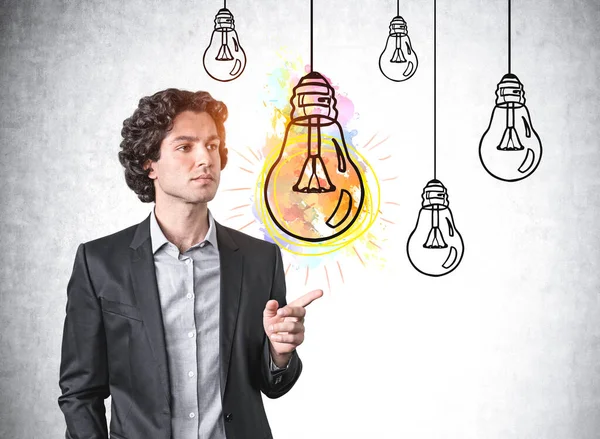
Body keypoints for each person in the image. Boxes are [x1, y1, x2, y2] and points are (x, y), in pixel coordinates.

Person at [58, 88, 323, 439]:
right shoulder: (99, 263)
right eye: (185, 147)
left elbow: (272, 385)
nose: (206, 159)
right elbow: (80, 392)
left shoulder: (261, 259)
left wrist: (279, 353)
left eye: (212, 146)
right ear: (148, 163)